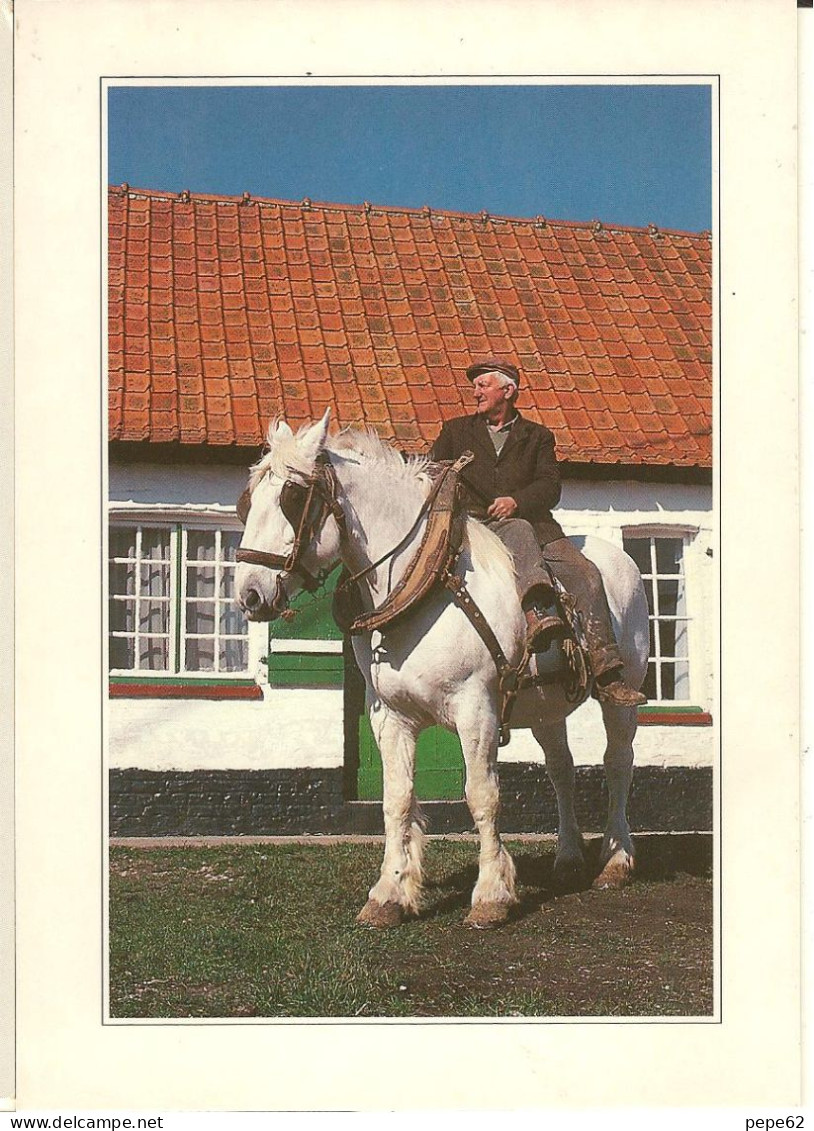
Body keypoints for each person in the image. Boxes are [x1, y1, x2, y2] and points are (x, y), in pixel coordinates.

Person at [430, 359, 646, 708]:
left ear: (508, 391)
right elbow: (433, 470)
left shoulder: (538, 437)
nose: (476, 392)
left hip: (535, 525)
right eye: (476, 386)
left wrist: (517, 500)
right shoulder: (456, 432)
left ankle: (606, 672)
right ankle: (538, 615)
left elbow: (550, 487)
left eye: (483, 385)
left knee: (587, 575)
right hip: (475, 528)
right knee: (514, 533)